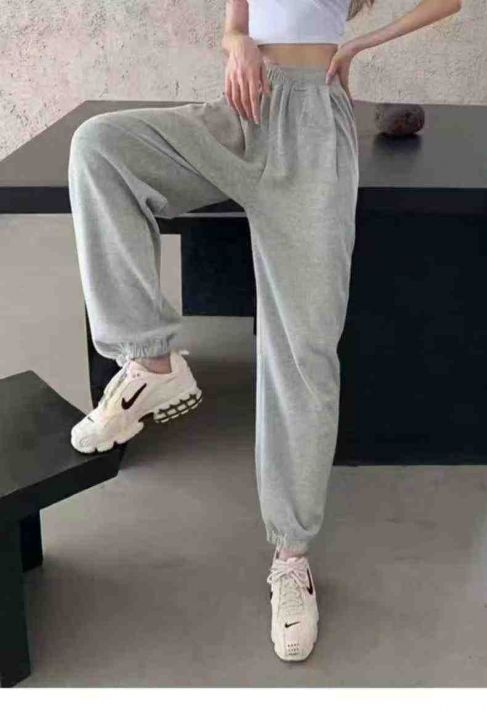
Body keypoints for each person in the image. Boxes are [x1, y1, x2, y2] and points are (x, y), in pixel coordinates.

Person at [67, 0, 462, 662]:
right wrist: (238, 46)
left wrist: (357, 45)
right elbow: (235, 24)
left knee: (303, 350)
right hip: (240, 113)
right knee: (100, 147)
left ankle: (291, 558)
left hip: (313, 129)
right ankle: (151, 364)